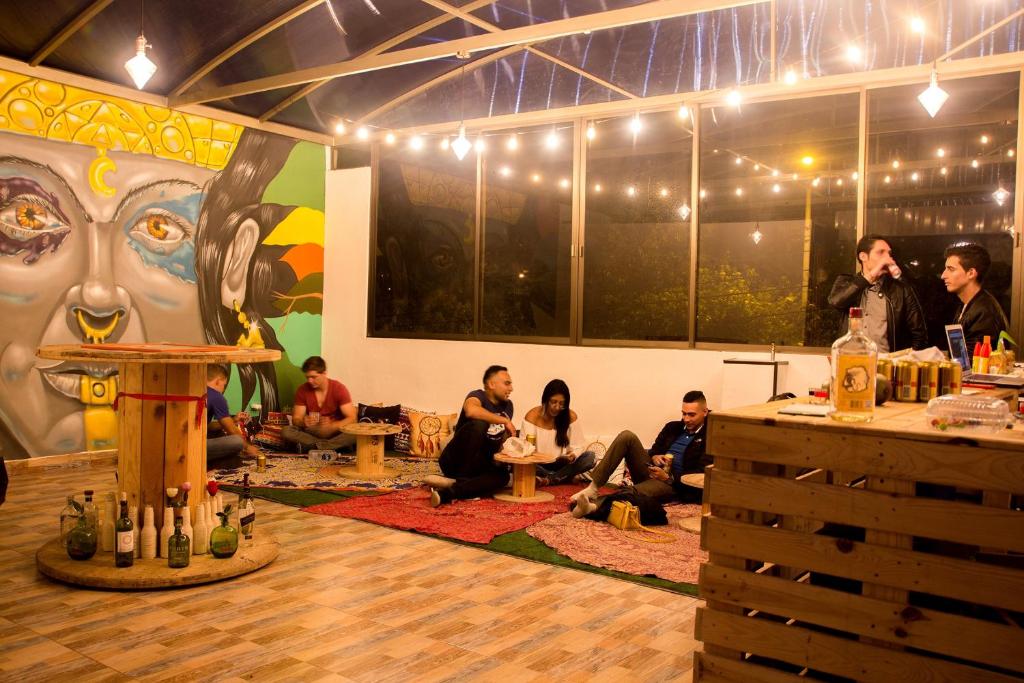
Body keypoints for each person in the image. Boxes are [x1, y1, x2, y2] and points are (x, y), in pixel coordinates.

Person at [570, 390, 710, 518]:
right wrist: (655, 457)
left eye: (691, 415)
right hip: (653, 472)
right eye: (684, 413)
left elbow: (699, 475)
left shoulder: (711, 436)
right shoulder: (673, 427)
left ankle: (593, 507)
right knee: (627, 436)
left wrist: (668, 477)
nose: (686, 419)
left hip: (673, 485)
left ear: (705, 412)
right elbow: (654, 450)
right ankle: (593, 488)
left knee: (632, 492)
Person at [429, 365, 515, 506]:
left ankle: (450, 493)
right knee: (479, 424)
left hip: (479, 464)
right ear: (492, 384)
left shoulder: (508, 406)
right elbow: (471, 411)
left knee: (503, 476)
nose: (511, 388)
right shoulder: (477, 396)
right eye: (507, 383)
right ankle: (465, 482)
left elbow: (501, 438)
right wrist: (504, 420)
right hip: (455, 460)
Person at [828, 235, 928, 352]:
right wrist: (870, 277)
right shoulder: (846, 282)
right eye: (881, 253)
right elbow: (836, 301)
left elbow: (919, 334)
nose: (887, 258)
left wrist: (905, 361)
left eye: (889, 254)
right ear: (863, 256)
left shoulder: (900, 289)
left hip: (885, 362)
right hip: (851, 359)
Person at [522, 379, 595, 486]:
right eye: (553, 402)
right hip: (539, 465)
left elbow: (579, 446)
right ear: (545, 400)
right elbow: (525, 448)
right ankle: (563, 476)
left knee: (590, 457)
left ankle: (549, 479)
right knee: (517, 466)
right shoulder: (532, 416)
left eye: (562, 404)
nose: (557, 407)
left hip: (562, 464)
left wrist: (573, 455)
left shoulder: (570, 417)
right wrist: (539, 457)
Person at [281, 356, 356, 452]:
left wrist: (332, 426)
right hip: (312, 434)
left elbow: (352, 418)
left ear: (324, 373)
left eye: (313, 377)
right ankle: (330, 447)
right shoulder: (302, 390)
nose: (310, 381)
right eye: (307, 377)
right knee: (286, 431)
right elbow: (296, 418)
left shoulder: (338, 389)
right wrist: (304, 422)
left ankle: (317, 448)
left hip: (335, 433)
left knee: (355, 434)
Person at [941, 242, 1009, 348]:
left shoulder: (984, 312)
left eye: (951, 269)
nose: (943, 276)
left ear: (971, 273)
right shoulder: (966, 304)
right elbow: (959, 355)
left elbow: (973, 361)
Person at [206, 365, 260, 465]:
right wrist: (248, 447)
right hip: (194, 446)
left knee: (218, 433)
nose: (223, 389)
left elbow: (206, 427)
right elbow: (231, 430)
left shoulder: (198, 391)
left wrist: (233, 420)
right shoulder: (216, 396)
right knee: (237, 441)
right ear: (218, 381)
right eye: (224, 385)